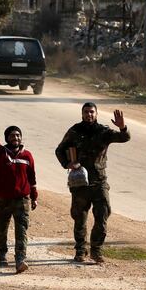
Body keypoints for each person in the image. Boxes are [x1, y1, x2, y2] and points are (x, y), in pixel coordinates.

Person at [54, 102, 130, 263]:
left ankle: (96, 250)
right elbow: (59, 150)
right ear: (82, 114)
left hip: (99, 181)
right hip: (80, 183)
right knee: (79, 218)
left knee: (102, 215)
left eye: (92, 112)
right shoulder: (75, 131)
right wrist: (67, 164)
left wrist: (123, 127)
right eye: (86, 112)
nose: (89, 115)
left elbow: (124, 138)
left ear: (96, 114)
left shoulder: (103, 131)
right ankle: (80, 250)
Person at [0, 109, 38, 273]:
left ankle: (20, 259)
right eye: (12, 136)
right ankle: (1, 254)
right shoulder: (0, 153)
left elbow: (32, 178)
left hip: (22, 200)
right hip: (4, 199)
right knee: (1, 228)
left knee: (22, 230)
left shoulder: (27, 155)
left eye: (18, 135)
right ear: (7, 138)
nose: (16, 138)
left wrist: (34, 197)